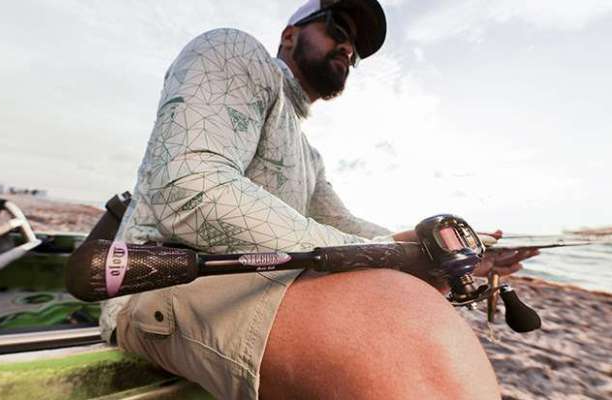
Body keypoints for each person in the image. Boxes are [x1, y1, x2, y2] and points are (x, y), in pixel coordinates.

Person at [100, 1, 538, 398]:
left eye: (356, 49)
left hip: (257, 282)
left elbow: (345, 226)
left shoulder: (309, 157)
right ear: (290, 34)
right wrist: (387, 258)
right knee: (401, 328)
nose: (348, 47)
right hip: (156, 283)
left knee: (409, 304)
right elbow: (187, 191)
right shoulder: (233, 52)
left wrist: (443, 253)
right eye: (337, 27)